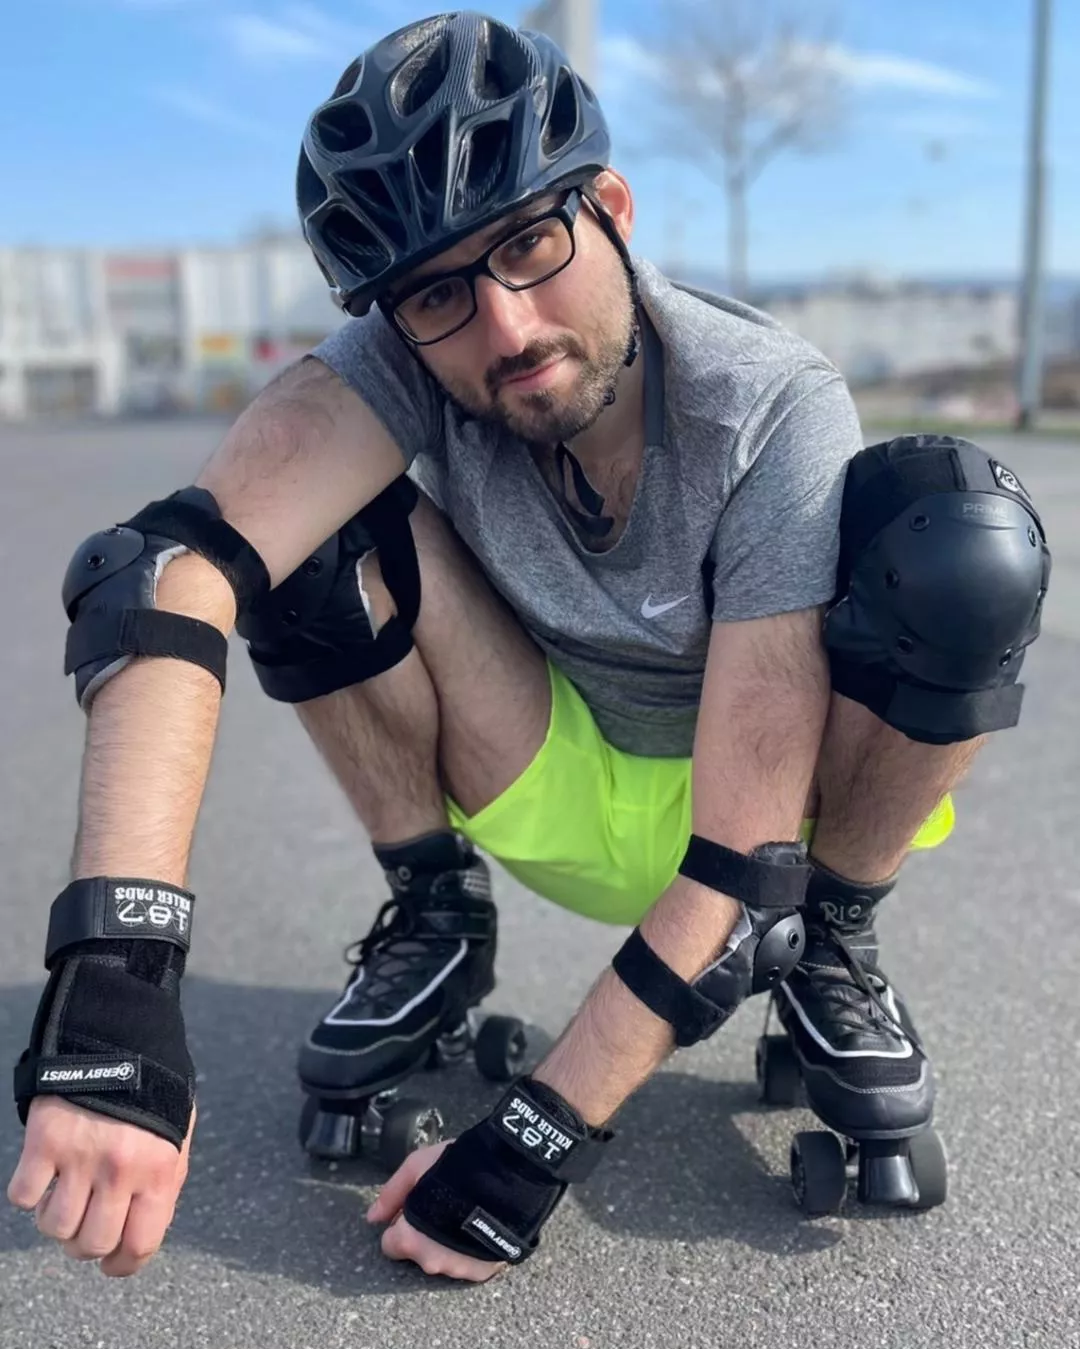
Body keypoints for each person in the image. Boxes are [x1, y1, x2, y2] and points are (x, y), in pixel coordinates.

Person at [8, 13, 1050, 1283]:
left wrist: (532, 1138)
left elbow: (738, 864)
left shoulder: (768, 402)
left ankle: (836, 938)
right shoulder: (393, 367)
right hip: (549, 774)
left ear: (609, 205)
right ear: (397, 319)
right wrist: (115, 980)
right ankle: (436, 911)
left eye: (529, 246)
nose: (506, 329)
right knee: (298, 537)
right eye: (440, 295)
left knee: (963, 540)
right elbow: (163, 582)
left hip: (779, 827)